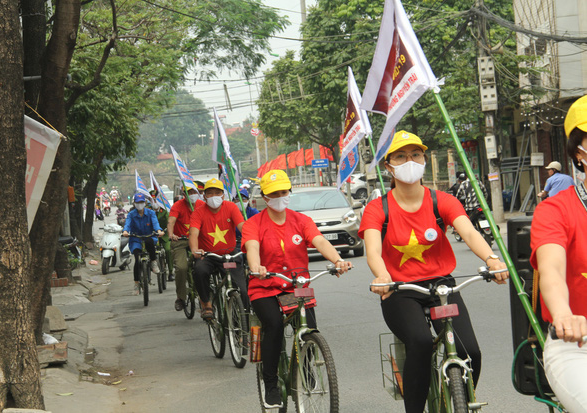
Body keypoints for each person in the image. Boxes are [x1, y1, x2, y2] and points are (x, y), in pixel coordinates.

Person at [359, 130, 508, 413]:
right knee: (420, 342)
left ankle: (459, 399)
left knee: (470, 352)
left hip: (442, 287)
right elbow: (373, 252)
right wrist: (382, 276)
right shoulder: (377, 209)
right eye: (401, 156)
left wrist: (492, 259)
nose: (410, 161)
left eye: (416, 155)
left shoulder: (443, 201)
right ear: (388, 166)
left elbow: (470, 232)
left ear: (424, 159)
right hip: (399, 290)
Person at [242, 169, 352, 409]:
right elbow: (251, 247)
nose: (281, 196)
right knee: (273, 325)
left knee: (308, 326)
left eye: (284, 191)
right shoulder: (253, 224)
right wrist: (256, 266)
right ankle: (270, 383)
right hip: (264, 287)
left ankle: (305, 366)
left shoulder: (301, 220)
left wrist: (337, 261)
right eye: (274, 194)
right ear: (264, 196)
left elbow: (319, 240)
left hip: (296, 285)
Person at [531, 95, 587, 413]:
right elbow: (551, 269)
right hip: (576, 347)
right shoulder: (555, 210)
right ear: (579, 150)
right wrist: (563, 314)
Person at [189, 178, 245, 319]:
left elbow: (242, 227)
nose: (214, 196)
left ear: (223, 195)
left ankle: (244, 315)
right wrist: (195, 250)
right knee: (199, 271)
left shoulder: (231, 207)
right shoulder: (198, 212)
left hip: (229, 255)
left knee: (243, 288)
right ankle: (206, 303)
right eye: (210, 193)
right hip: (208, 255)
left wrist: (252, 240)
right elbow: (193, 233)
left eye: (217, 193)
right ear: (204, 196)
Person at [167, 185, 204, 311]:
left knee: (206, 264)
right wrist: (171, 235)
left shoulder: (201, 204)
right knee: (181, 268)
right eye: (189, 192)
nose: (192, 194)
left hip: (198, 240)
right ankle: (181, 298)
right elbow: (171, 221)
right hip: (181, 241)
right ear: (184, 194)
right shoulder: (177, 206)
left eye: (194, 192)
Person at [122, 193, 164, 295]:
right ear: (134, 203)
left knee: (150, 243)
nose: (139, 204)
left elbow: (155, 223)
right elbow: (127, 224)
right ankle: (136, 283)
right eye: (137, 202)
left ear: (144, 203)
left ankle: (153, 262)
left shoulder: (150, 213)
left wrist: (158, 231)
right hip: (136, 239)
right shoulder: (131, 214)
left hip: (149, 236)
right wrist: (125, 231)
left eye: (141, 202)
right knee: (137, 259)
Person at [149, 189, 173, 280]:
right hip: (152, 236)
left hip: (164, 235)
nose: (154, 202)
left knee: (168, 250)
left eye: (156, 200)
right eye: (152, 200)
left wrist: (166, 231)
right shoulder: (148, 211)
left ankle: (171, 271)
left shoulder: (165, 210)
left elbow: (169, 222)